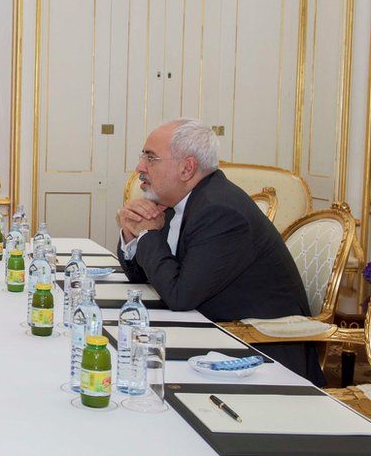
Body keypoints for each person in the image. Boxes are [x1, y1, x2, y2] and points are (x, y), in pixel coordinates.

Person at [116, 118, 324, 385]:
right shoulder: (179, 201)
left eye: (151, 158)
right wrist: (132, 234)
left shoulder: (220, 211)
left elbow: (180, 296)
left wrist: (148, 233)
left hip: (257, 356)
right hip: (214, 333)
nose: (140, 167)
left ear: (187, 168)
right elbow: (145, 277)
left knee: (134, 371)